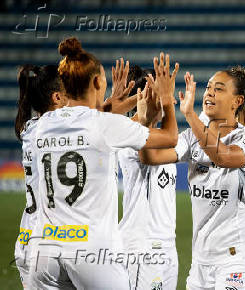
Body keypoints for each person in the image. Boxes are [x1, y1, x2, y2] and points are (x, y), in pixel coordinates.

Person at [28, 37, 179, 289]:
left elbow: (86, 119)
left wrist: (119, 102)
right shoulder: (104, 125)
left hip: (44, 250)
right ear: (98, 82)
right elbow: (170, 137)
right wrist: (166, 101)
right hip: (92, 251)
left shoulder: (43, 125)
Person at [140, 67, 245, 289]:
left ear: (237, 101)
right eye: (208, 88)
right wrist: (149, 118)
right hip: (201, 261)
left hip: (239, 256)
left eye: (219, 89)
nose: (209, 93)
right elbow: (152, 156)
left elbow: (224, 156)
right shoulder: (191, 137)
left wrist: (189, 114)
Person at [118, 65, 178, 290]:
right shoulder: (130, 132)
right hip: (141, 245)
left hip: (166, 243)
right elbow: (153, 150)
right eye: (159, 94)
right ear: (143, 98)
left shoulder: (162, 134)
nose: (163, 100)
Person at [14, 64, 67, 289]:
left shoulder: (29, 128)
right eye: (68, 92)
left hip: (26, 236)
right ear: (56, 97)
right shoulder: (57, 129)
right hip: (47, 238)